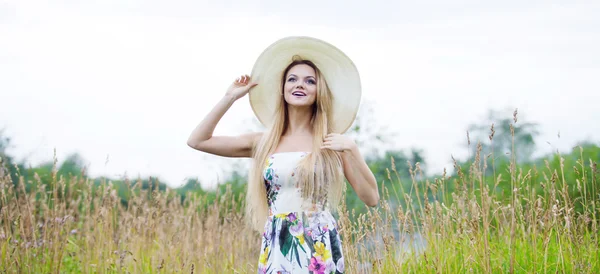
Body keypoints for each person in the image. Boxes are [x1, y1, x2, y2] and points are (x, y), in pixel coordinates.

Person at [187, 36, 379, 274]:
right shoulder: (264, 142)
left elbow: (371, 198)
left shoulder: (331, 143)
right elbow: (198, 140)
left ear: (320, 92)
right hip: (278, 243)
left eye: (310, 81)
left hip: (318, 243)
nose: (300, 85)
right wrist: (230, 98)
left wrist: (352, 150)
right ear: (283, 88)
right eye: (292, 79)